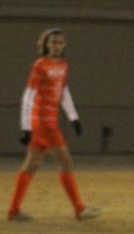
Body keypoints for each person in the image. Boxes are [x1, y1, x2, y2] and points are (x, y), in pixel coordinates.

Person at [6, 27, 99, 221]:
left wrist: (74, 117)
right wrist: (25, 127)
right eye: (53, 42)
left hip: (49, 120)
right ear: (46, 44)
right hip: (43, 122)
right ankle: (79, 209)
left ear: (64, 45)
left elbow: (64, 92)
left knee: (31, 165)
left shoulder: (64, 65)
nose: (57, 45)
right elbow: (29, 96)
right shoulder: (40, 65)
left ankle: (14, 210)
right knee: (65, 162)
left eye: (60, 42)